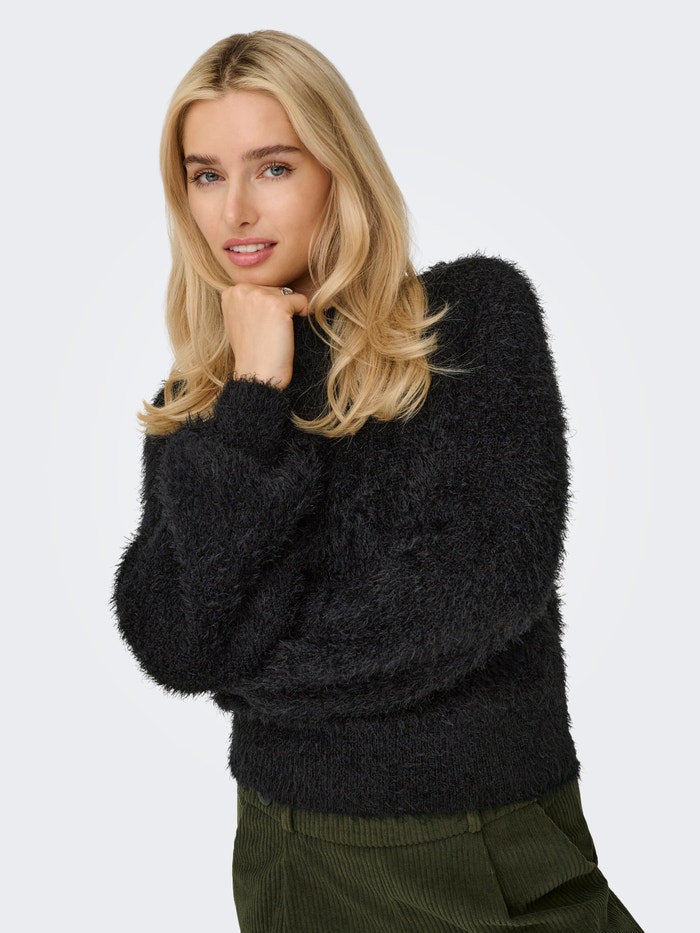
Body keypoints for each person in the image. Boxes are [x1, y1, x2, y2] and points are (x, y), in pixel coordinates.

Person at [113, 29, 644, 933]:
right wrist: (254, 398)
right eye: (205, 175)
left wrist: (247, 674)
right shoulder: (203, 402)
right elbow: (174, 640)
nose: (236, 209)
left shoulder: (468, 323)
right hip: (289, 848)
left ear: (339, 167)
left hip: (483, 836)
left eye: (273, 167)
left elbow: (472, 594)